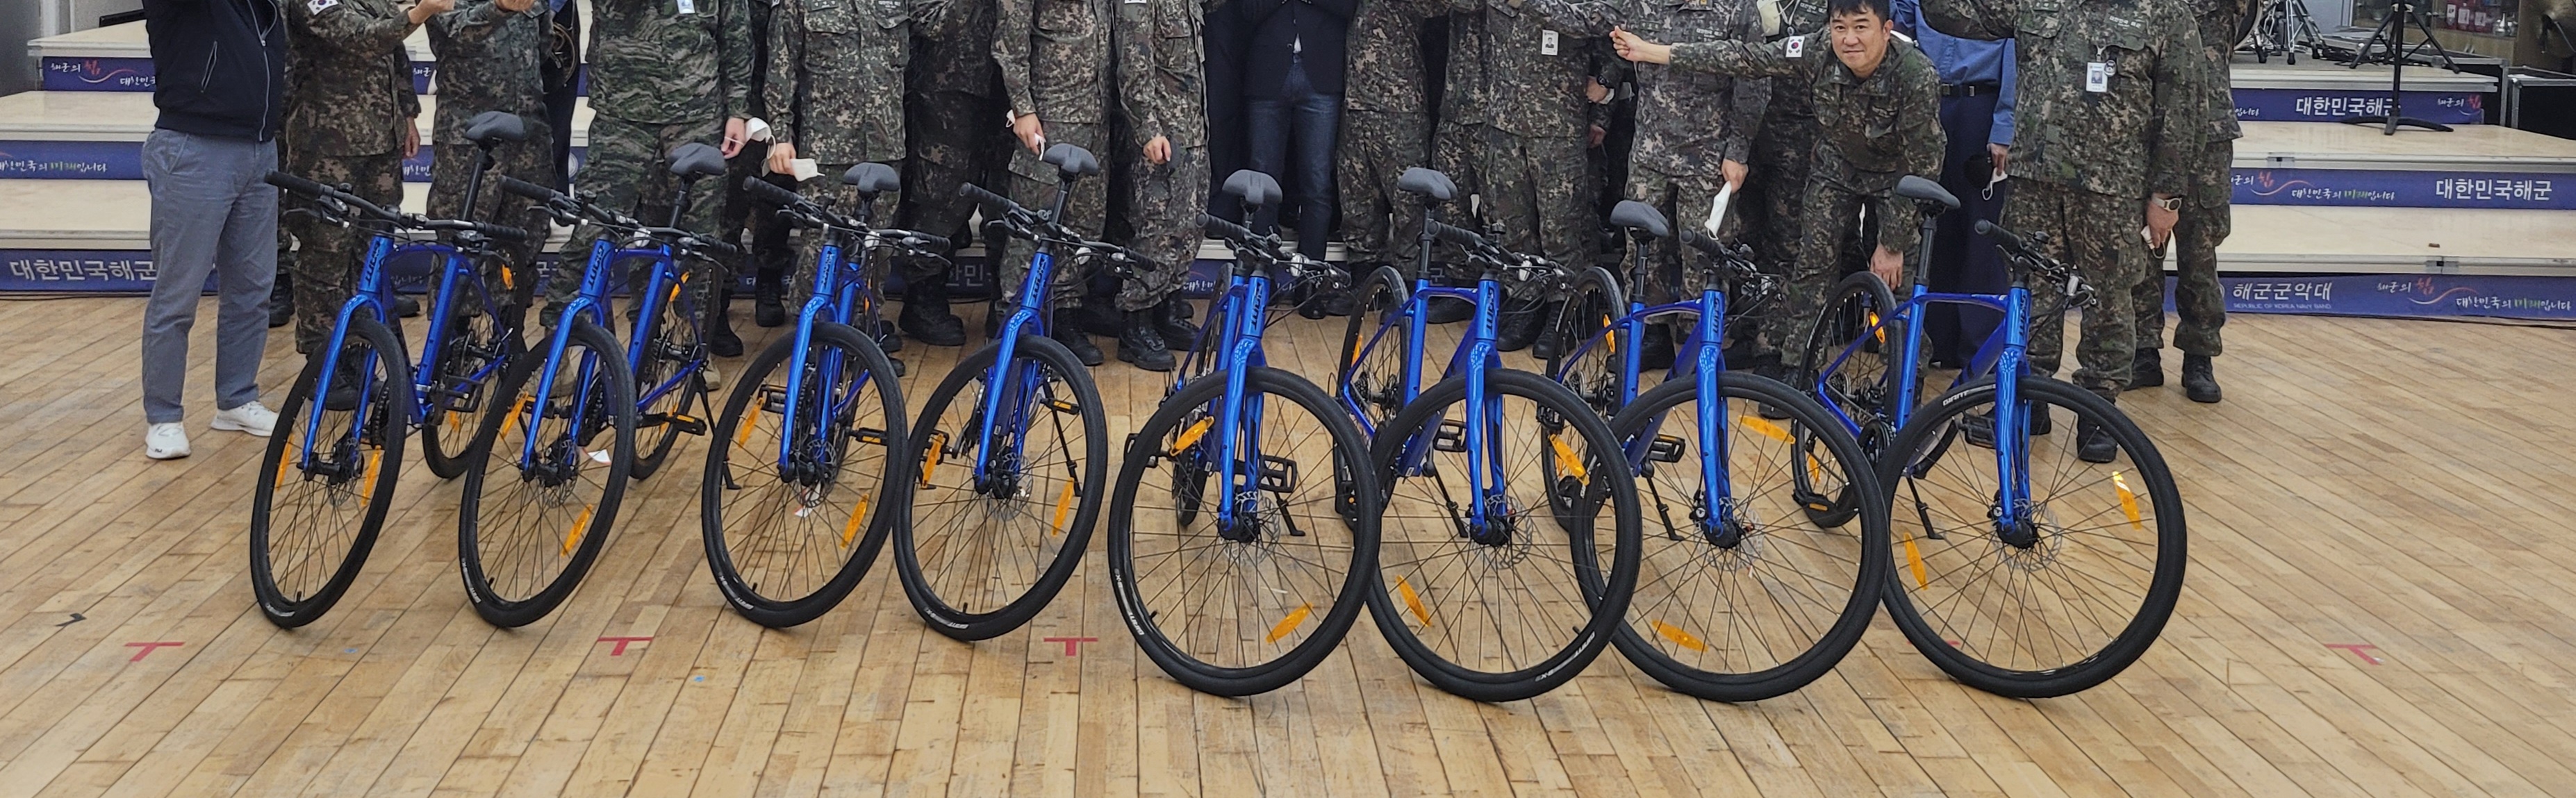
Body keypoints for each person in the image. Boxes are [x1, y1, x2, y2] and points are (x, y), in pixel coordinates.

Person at [1920, 0, 2206, 460]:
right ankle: (2028, 400)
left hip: (2111, 188)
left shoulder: (2165, 14)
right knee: (2031, 294)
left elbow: (2182, 112)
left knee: (2108, 299)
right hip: (2035, 179)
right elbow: (1953, 15)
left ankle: (2098, 411)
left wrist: (2166, 197)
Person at [1613, 0, 1945, 383]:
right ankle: (1799, 368)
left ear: (1886, 30)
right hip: (1837, 168)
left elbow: (1923, 165)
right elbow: (1746, 58)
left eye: (1861, 27)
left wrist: (1892, 242)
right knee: (1811, 267)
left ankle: (1906, 380)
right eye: (1840, 28)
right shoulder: (1817, 48)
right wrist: (1653, 52)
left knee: (1898, 279)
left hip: (1897, 178)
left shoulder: (1915, 74)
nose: (1850, 39)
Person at [548, 0, 755, 356]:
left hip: (695, 117)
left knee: (699, 241)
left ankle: (691, 351)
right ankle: (558, 349)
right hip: (621, 117)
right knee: (592, 232)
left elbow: (736, 35)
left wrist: (738, 110)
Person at [138, 0, 292, 460]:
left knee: (253, 287)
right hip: (194, 146)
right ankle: (164, 416)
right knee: (177, 293)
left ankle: (237, 397)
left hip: (260, 148)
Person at [1585, 0, 1770, 368]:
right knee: (1641, 248)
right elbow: (1612, 39)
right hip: (1650, 151)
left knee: (1703, 254)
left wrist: (1738, 150)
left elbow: (1754, 83)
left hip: (1708, 155)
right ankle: (1650, 336)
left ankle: (1695, 341)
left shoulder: (1737, 9)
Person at [763, 0, 942, 369]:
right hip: (827, 148)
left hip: (884, 148)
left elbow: (937, 22)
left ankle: (863, 341)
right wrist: (780, 135)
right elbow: (781, 68)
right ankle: (812, 342)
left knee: (874, 250)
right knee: (819, 247)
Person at [281, 0, 439, 374]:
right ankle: (323, 366)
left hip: (381, 142)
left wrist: (407, 114)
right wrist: (421, 12)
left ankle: (361, 353)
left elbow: (395, 56)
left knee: (370, 252)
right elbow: (361, 38)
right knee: (326, 256)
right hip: (328, 147)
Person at [1462, 0, 1608, 353]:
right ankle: (1526, 301)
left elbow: (1605, 29)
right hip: (1504, 121)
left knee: (1561, 228)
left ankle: (1564, 309)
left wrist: (1605, 99)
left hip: (1557, 124)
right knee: (1513, 225)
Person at [1890, 0, 2014, 369]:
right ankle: (1936, 337)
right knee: (1932, 223)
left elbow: (2017, 49)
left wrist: (2004, 127)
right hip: (1927, 103)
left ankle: (1978, 348)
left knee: (1981, 229)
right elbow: (1900, 24)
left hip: (1981, 105)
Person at [2131, 0, 2241, 404]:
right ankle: (2143, 350)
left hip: (2207, 134)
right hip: (2143, 126)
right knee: (2141, 247)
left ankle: (2200, 355)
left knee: (2199, 254)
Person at [995, 0, 1116, 364]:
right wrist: (1023, 108)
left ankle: (1064, 315)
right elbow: (1010, 40)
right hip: (1049, 119)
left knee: (1082, 228)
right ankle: (1013, 322)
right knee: (1033, 228)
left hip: (1095, 119)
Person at [428, 0, 558, 331]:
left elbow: (543, 46)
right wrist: (500, 8)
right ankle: (452, 343)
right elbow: (453, 31)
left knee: (523, 242)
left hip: (527, 136)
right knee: (459, 241)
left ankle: (510, 338)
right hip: (469, 138)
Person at [1112, 0, 1215, 371]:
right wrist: (1148, 129)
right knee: (1156, 230)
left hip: (1192, 132)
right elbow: (1134, 64)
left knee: (1188, 227)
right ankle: (1136, 324)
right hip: (1162, 137)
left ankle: (1166, 312)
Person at [897, 0, 1000, 347]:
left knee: (1003, 194)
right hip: (947, 88)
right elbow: (927, 20)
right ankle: (923, 299)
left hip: (1009, 87)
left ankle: (1005, 299)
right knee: (940, 193)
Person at [1336, 0, 1444, 306]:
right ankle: (1363, 282)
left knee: (1408, 201)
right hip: (1355, 103)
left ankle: (1406, 286)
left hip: (1400, 105)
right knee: (1357, 197)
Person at [1241, 0, 1355, 263]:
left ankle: (1311, 271)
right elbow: (1247, 11)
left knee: (1317, 181)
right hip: (1267, 76)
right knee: (1262, 177)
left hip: (1322, 77)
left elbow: (1348, 7)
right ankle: (1261, 268)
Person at [720, 0, 793, 331]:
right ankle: (718, 301)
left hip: (789, 105)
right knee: (728, 206)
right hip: (734, 108)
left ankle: (769, 282)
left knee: (778, 199)